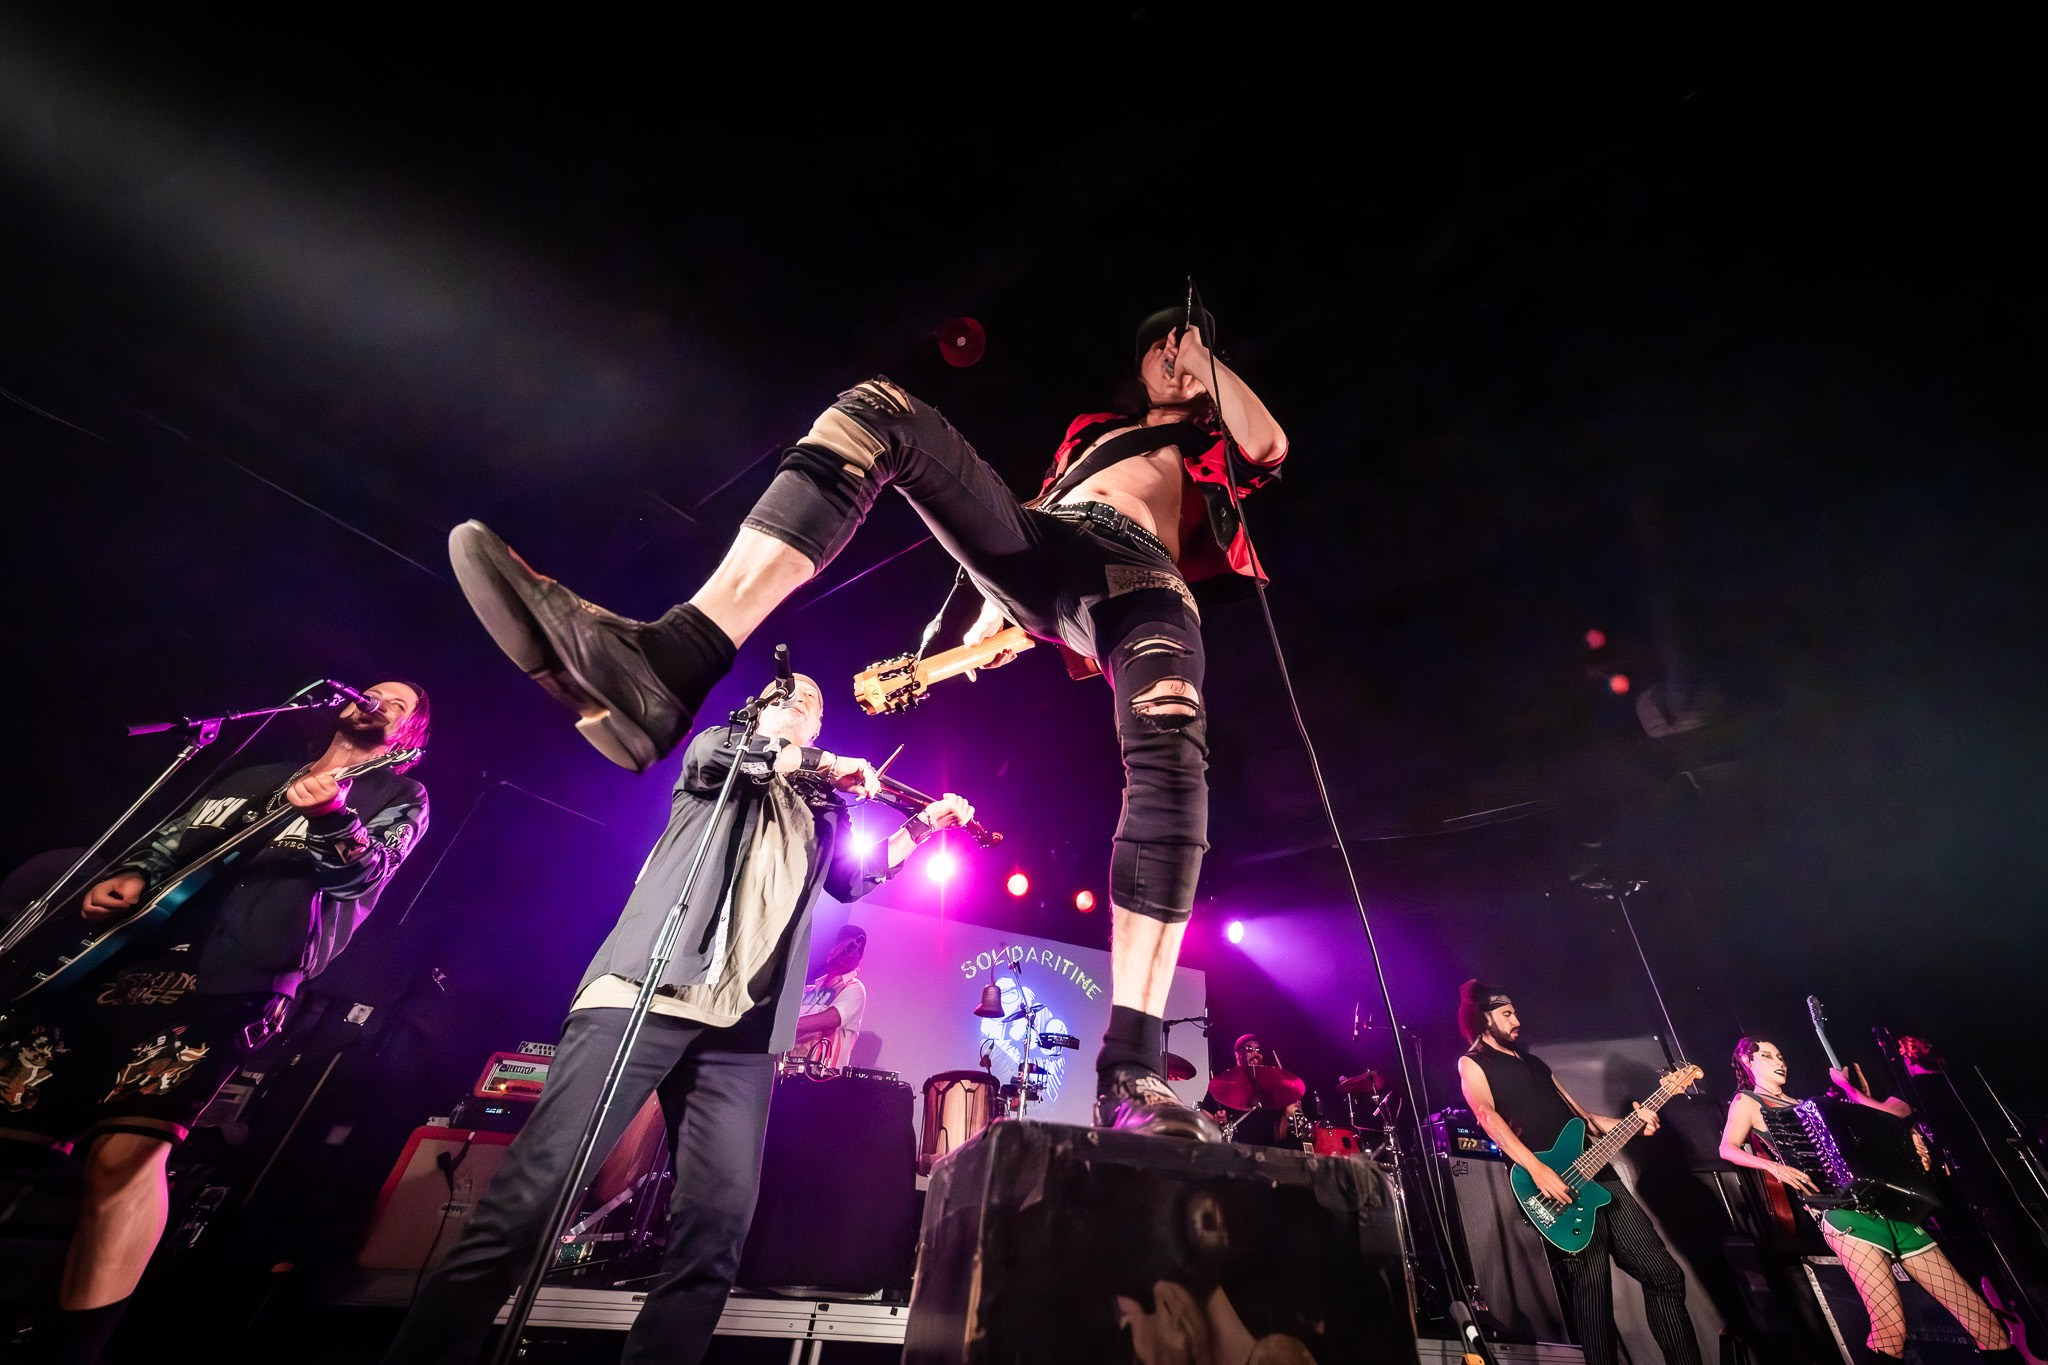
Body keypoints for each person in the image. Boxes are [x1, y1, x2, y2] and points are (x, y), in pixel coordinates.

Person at [445, 309, 1287, 1139]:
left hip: (1147, 587)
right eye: (1158, 346)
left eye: (1181, 342)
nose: (1170, 353)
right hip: (1052, 547)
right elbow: (1030, 553)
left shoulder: (1211, 441)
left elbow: (1269, 442)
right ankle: (667, 660)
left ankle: (1132, 1069)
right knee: (881, 410)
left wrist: (1205, 358)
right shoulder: (1092, 433)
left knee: (1172, 761)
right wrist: (970, 636)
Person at [383, 673, 974, 1365]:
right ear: (761, 709)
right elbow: (731, 756)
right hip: (644, 993)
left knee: (716, 1229)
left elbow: (852, 877)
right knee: (530, 1198)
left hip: (742, 1032)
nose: (801, 710)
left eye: (812, 709)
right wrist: (818, 762)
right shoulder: (719, 752)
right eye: (788, 699)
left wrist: (920, 827)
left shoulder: (820, 809)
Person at [1, 683, 431, 1365]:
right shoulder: (254, 778)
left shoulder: (396, 797)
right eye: (370, 689)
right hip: (120, 961)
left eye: (396, 703)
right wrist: (133, 876)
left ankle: (72, 1350)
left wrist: (332, 817)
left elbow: (364, 875)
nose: (375, 699)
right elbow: (165, 842)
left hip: (235, 977)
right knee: (12, 1126)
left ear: (411, 736)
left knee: (125, 1153)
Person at [1718, 1036, 2017, 1361]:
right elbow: (1727, 1148)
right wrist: (1774, 1167)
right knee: (1891, 1331)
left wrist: (1910, 1143)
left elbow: (1885, 1123)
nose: (1779, 1060)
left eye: (1780, 1054)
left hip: (1891, 1210)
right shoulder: (1747, 1101)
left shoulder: (1809, 1105)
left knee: (1986, 1323)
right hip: (1845, 1216)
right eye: (1766, 1055)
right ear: (1749, 1063)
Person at [1454, 980, 1700, 1365]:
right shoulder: (1473, 1063)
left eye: (1515, 1012)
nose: (1517, 1020)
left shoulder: (1534, 1062)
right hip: (1553, 1187)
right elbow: (1487, 1116)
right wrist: (1536, 1169)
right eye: (1506, 1014)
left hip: (1599, 1173)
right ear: (1482, 1018)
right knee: (1592, 1296)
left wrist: (1634, 1121)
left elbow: (1582, 1119)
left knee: (1664, 1274)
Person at [786, 923, 867, 1072]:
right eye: (842, 948)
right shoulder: (810, 988)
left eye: (855, 951)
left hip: (821, 1079)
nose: (847, 953)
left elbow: (830, 1019)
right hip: (788, 1072)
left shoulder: (853, 988)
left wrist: (782, 1027)